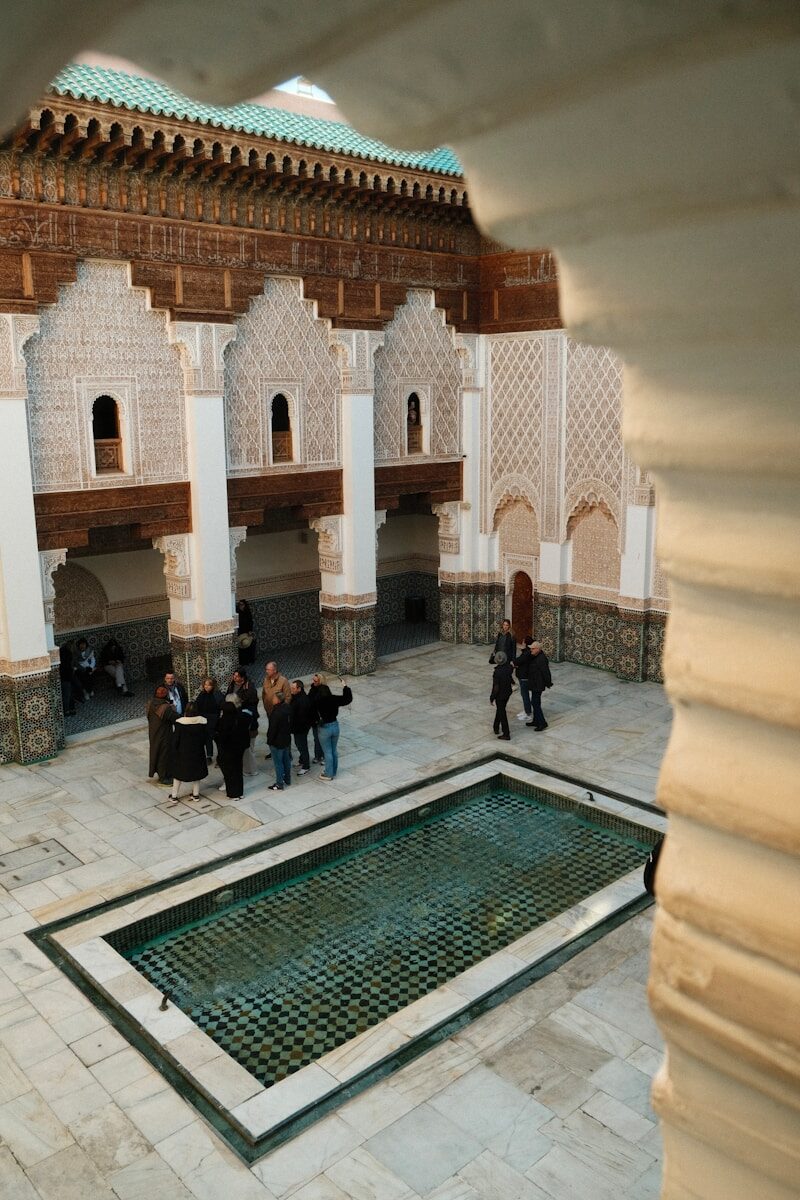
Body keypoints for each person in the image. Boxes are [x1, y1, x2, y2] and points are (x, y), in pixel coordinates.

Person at [313, 674, 353, 780]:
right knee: (333, 750)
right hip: (335, 726)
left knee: (327, 752)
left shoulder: (318, 702)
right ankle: (333, 771)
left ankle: (328, 774)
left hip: (324, 728)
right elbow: (347, 699)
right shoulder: (333, 699)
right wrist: (345, 686)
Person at [169, 701, 208, 802]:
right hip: (197, 752)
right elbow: (205, 738)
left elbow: (175, 739)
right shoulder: (203, 722)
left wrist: (173, 751)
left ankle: (174, 796)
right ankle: (196, 794)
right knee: (196, 774)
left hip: (183, 753)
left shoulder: (180, 723)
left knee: (178, 775)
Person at [214, 696, 250, 801]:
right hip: (239, 748)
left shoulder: (223, 722)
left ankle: (233, 793)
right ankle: (240, 792)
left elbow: (221, 737)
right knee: (238, 770)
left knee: (230, 772)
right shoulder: (241, 717)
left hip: (228, 750)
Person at [225, 668, 259, 775]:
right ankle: (245, 769)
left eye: (237, 676)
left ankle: (252, 770)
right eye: (234, 675)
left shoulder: (249, 687)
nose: (234, 678)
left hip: (248, 721)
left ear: (242, 677)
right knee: (243, 750)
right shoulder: (232, 684)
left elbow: (249, 700)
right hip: (237, 716)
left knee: (249, 750)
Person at [146, 685, 176, 785]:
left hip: (154, 733)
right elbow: (175, 718)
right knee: (164, 755)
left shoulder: (150, 703)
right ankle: (164, 777)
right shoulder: (165, 708)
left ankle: (163, 773)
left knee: (157, 752)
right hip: (164, 735)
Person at [261, 661, 291, 759]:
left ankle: (287, 753)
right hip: (270, 712)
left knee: (282, 732)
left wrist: (283, 711)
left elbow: (287, 697)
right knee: (272, 730)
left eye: (268, 670)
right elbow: (264, 694)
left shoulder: (283, 681)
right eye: (266, 669)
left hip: (280, 713)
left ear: (274, 670)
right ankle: (273, 749)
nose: (266, 671)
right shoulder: (266, 680)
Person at [266, 691, 292, 790]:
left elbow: (273, 729)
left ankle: (279, 783)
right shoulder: (287, 708)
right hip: (286, 739)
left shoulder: (276, 712)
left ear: (277, 700)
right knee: (286, 760)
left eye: (273, 698)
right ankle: (288, 779)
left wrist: (269, 740)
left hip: (277, 741)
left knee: (278, 763)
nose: (272, 699)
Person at [194, 676, 224, 763]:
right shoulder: (202, 694)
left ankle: (220, 757)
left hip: (215, 720)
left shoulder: (218, 694)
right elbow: (197, 705)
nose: (206, 686)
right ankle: (209, 756)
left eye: (209, 685)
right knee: (207, 739)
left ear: (213, 686)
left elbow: (222, 706)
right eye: (205, 685)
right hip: (204, 720)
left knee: (217, 739)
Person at [289, 679, 315, 774]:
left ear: (299, 688)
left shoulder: (302, 700)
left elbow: (301, 717)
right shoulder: (296, 696)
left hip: (300, 728)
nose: (291, 689)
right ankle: (302, 760)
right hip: (297, 727)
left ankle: (306, 766)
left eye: (293, 688)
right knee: (299, 744)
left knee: (302, 746)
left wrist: (293, 726)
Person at [525, 641, 553, 731]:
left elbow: (546, 672)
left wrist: (548, 683)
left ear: (538, 649)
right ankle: (536, 720)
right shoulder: (535, 656)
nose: (531, 650)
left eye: (533, 649)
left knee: (535, 703)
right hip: (534, 683)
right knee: (535, 702)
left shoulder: (541, 659)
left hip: (538, 684)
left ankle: (542, 723)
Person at [490, 650, 515, 740]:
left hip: (500, 695)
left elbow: (496, 687)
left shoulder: (497, 672)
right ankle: (496, 727)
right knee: (500, 709)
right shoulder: (509, 668)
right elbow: (509, 676)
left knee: (502, 713)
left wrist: (492, 697)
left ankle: (506, 733)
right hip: (507, 693)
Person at [514, 635, 534, 722]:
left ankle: (528, 713)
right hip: (522, 676)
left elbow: (518, 660)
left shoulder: (527, 654)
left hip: (524, 677)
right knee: (524, 694)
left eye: (523, 642)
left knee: (525, 695)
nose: (522, 643)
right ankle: (527, 710)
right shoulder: (527, 651)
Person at [307, 672, 326, 764]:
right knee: (316, 738)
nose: (313, 681)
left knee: (323, 739)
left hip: (321, 719)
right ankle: (318, 756)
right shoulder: (313, 689)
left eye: (315, 680)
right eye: (313, 680)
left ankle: (325, 757)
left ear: (320, 681)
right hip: (313, 718)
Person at [58, 642, 78, 716]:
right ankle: (68, 710)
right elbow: (69, 667)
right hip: (66, 678)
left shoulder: (63, 655)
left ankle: (68, 709)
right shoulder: (67, 655)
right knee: (68, 694)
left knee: (68, 693)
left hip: (65, 678)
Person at [236, 599, 256, 666]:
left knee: (249, 645)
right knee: (242, 648)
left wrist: (250, 631)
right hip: (240, 633)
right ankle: (243, 661)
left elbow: (250, 622)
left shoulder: (247, 613)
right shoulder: (238, 614)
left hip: (247, 632)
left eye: (242, 605)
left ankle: (250, 659)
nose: (240, 606)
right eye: (239, 605)